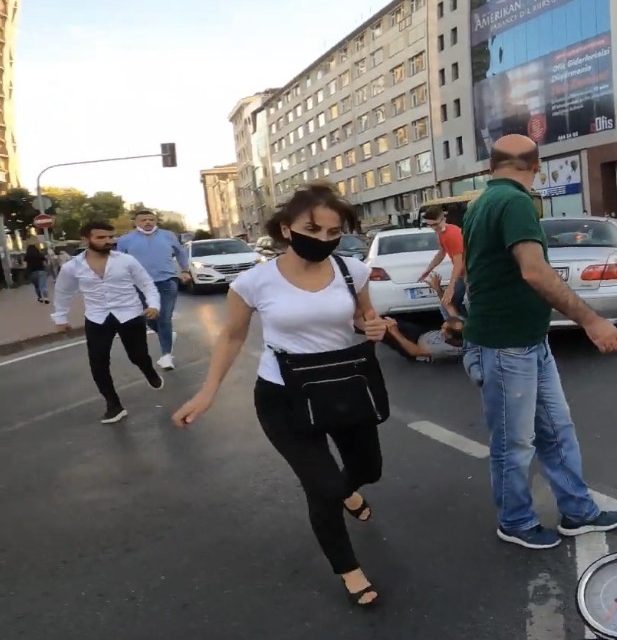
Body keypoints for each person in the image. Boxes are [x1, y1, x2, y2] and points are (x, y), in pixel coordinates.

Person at [172, 184, 391, 607]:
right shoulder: (255, 281)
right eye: (313, 229)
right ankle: (349, 569)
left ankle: (348, 490)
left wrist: (372, 327)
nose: (324, 240)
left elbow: (365, 319)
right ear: (287, 228)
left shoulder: (352, 271)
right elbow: (233, 336)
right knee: (322, 488)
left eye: (333, 233)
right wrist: (207, 392)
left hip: (345, 387)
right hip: (284, 395)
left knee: (369, 468)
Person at [461, 134, 617, 550]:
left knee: (556, 430)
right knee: (514, 443)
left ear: (489, 167)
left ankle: (578, 511)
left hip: (527, 340)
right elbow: (534, 272)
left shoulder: (480, 203)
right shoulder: (516, 203)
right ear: (536, 166)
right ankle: (514, 521)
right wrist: (592, 321)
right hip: (505, 344)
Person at [50, 222, 164, 424]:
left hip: (130, 314)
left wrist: (153, 305)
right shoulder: (71, 267)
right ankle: (114, 405)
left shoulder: (126, 261)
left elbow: (146, 284)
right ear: (86, 240)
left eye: (111, 237)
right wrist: (60, 317)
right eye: (101, 238)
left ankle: (149, 371)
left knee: (138, 356)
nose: (108, 241)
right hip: (97, 317)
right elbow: (63, 292)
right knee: (98, 362)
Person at [115, 209, 191, 371]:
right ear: (136, 222)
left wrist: (185, 270)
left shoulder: (168, 235)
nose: (148, 222)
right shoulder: (125, 240)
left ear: (156, 221)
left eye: (151, 219)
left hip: (167, 282)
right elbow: (118, 262)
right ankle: (168, 335)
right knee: (148, 317)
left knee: (164, 318)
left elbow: (181, 252)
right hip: (139, 285)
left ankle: (166, 356)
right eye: (143, 220)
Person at [417, 206, 466, 319]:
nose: (434, 228)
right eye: (430, 225)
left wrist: (451, 286)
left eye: (436, 224)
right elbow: (442, 253)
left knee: (449, 304)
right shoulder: (441, 234)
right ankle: (462, 326)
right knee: (452, 304)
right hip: (462, 274)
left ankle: (459, 328)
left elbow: (459, 262)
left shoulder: (452, 234)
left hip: (468, 273)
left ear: (443, 219)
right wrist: (428, 270)